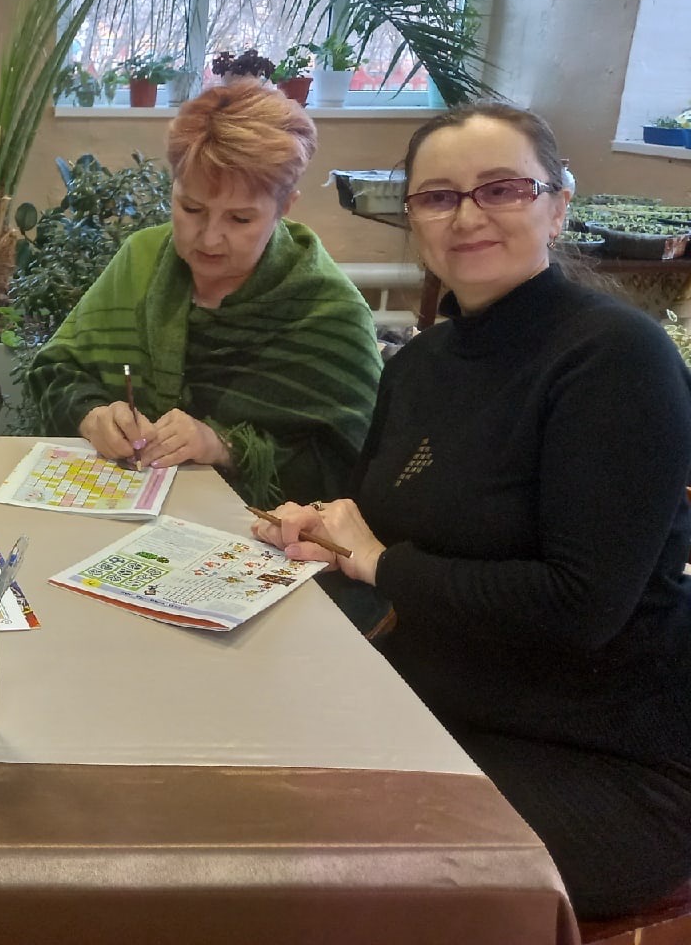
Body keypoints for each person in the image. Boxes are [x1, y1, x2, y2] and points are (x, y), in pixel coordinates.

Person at [251, 103, 691, 919]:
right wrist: (326, 531)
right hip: (431, 709)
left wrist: (380, 563)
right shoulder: (421, 362)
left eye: (502, 188)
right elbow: (384, 523)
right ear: (413, 217)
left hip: (596, 761)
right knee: (225, 783)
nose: (468, 216)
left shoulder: (616, 358)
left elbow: (581, 606)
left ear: (558, 206)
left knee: (295, 865)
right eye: (438, 196)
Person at [25, 79, 381, 509]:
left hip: (259, 535)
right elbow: (54, 371)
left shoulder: (329, 311)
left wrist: (225, 447)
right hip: (123, 516)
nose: (210, 238)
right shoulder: (140, 259)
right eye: (191, 208)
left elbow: (351, 469)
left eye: (240, 219)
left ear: (285, 207)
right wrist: (92, 414)